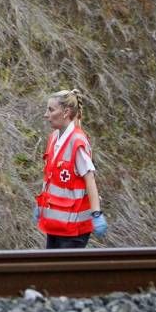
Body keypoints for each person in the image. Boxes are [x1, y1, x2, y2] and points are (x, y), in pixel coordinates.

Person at [35, 89, 108, 248]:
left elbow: (90, 180)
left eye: (51, 110)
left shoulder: (77, 142)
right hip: (55, 224)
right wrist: (41, 205)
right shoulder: (54, 138)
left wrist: (96, 214)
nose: (46, 115)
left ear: (66, 112)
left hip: (74, 228)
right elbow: (50, 177)